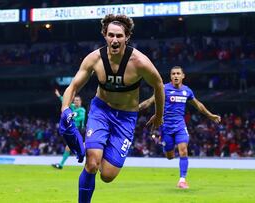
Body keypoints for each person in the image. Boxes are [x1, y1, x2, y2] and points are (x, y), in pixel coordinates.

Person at [58, 14, 164, 203]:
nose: (115, 40)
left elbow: (159, 86)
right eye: (111, 35)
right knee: (92, 164)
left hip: (126, 118)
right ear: (105, 35)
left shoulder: (140, 62)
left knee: (107, 175)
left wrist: (159, 115)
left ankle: (92, 147)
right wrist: (65, 108)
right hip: (101, 112)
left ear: (127, 37)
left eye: (119, 36)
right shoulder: (94, 59)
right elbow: (73, 86)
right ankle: (90, 153)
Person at [139, 66, 221, 189]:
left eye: (178, 73)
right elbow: (150, 101)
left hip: (180, 127)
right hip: (166, 127)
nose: (176, 76)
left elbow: (198, 105)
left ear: (183, 76)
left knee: (183, 150)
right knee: (170, 156)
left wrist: (211, 116)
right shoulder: (164, 89)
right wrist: (134, 108)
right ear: (171, 76)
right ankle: (166, 147)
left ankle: (182, 180)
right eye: (173, 74)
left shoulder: (187, 91)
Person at [53, 88, 86, 169]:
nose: (76, 101)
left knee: (84, 147)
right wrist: (59, 95)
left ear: (80, 102)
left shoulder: (82, 110)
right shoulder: (72, 107)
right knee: (68, 147)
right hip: (73, 130)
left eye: (77, 100)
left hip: (80, 131)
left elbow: (81, 118)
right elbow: (64, 102)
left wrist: (71, 119)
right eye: (75, 100)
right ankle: (61, 165)